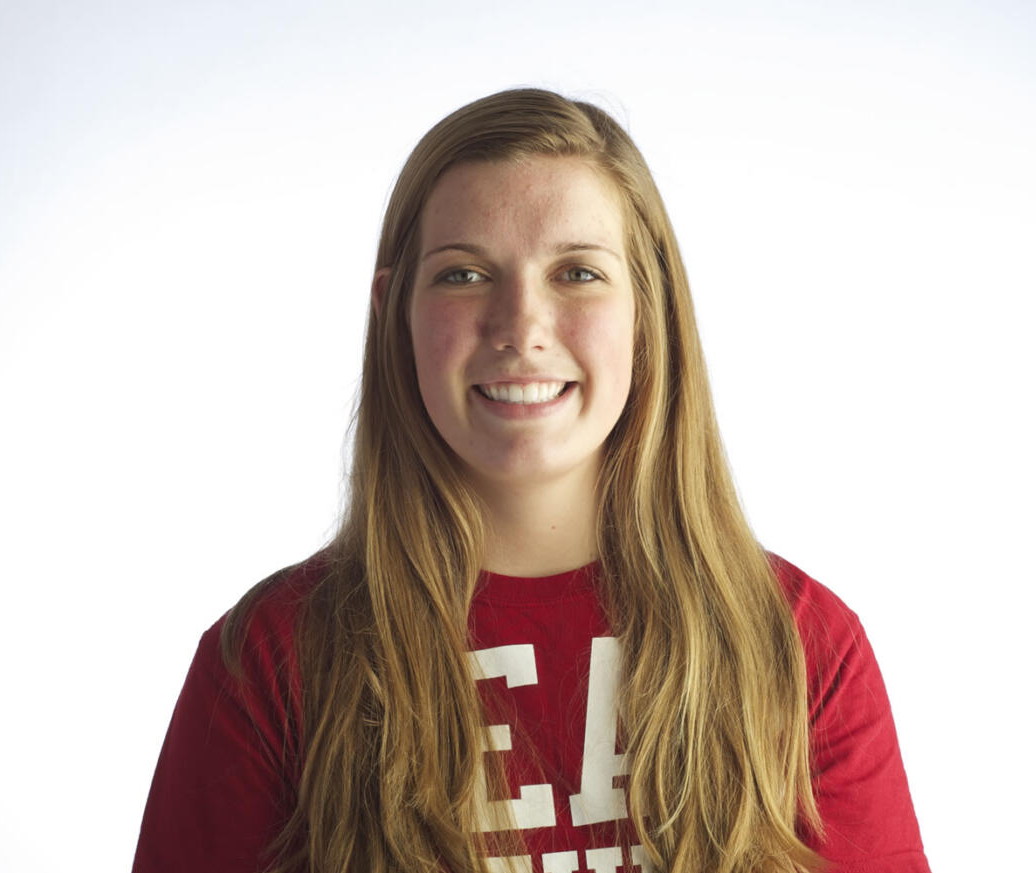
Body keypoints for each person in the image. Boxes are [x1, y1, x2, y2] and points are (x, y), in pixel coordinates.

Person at [132, 88, 930, 873]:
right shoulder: (269, 665)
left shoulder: (800, 648)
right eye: (464, 275)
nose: (521, 327)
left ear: (649, 310)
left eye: (578, 273)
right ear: (393, 311)